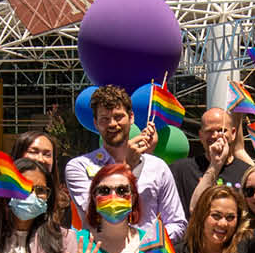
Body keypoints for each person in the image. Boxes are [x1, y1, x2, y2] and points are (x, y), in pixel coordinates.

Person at [64, 85, 187, 234]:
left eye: (118, 117)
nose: (112, 124)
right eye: (104, 119)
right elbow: (94, 215)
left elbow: (177, 223)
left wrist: (145, 245)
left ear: (131, 118)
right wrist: (127, 166)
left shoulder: (157, 167)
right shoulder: (79, 167)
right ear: (96, 123)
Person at [173, 105, 253, 207]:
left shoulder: (247, 173)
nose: (215, 135)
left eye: (221, 130)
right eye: (209, 131)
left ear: (233, 134)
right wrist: (215, 165)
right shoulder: (181, 170)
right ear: (201, 135)